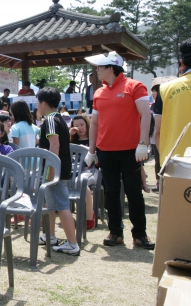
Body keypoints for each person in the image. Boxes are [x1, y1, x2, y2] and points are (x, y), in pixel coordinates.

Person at [85, 51, 154, 249]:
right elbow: (95, 124)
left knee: (134, 193)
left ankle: (140, 234)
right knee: (112, 193)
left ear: (110, 68)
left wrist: (143, 143)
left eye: (99, 67)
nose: (97, 71)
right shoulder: (99, 92)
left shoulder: (134, 86)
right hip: (105, 151)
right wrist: (92, 150)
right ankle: (115, 232)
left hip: (131, 150)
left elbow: (145, 115)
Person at [36, 87, 79, 255]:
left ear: (44, 103)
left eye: (38, 103)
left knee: (61, 206)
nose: (37, 106)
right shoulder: (59, 118)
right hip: (60, 167)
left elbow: (55, 145)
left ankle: (72, 244)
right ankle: (50, 235)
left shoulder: (51, 120)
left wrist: (51, 171)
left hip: (55, 168)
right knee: (50, 203)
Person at [154, 37, 191, 160]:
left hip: (174, 162)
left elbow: (157, 132)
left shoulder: (164, 89)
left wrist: (164, 157)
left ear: (182, 63)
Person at [69, 114, 96, 229]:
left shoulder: (93, 139)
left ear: (87, 125)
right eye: (76, 126)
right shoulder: (70, 142)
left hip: (90, 170)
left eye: (82, 124)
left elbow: (98, 159)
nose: (80, 128)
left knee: (81, 182)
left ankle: (89, 216)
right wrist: (68, 135)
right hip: (72, 171)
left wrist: (87, 150)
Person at [149, 84, 161, 192]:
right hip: (153, 138)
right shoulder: (152, 106)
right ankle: (158, 182)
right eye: (152, 91)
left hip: (163, 137)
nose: (153, 93)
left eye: (155, 91)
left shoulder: (163, 105)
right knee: (157, 161)